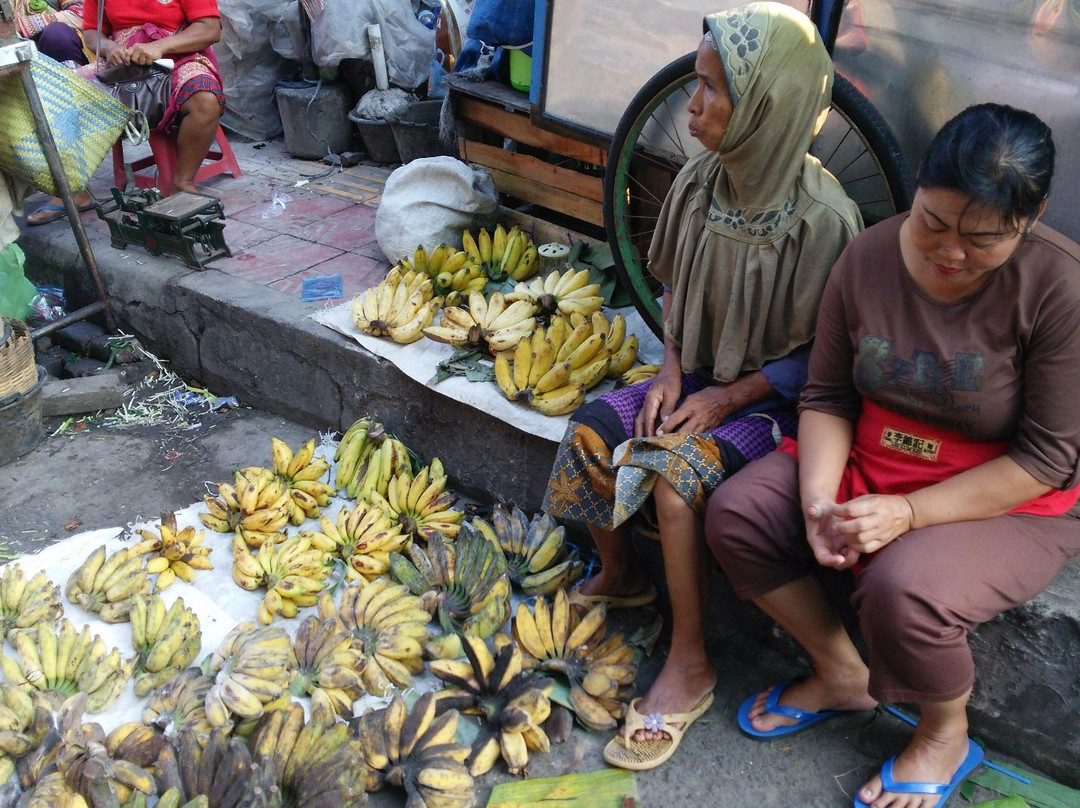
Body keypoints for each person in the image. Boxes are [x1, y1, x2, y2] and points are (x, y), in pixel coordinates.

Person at [706, 102, 1080, 808]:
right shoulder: (869, 255)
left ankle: (944, 732)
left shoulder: (1059, 290)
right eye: (933, 222)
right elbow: (827, 395)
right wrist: (819, 498)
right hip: (871, 454)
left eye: (982, 238)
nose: (949, 252)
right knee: (740, 513)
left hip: (1002, 494)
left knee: (904, 587)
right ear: (916, 187)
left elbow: (1045, 461)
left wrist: (906, 513)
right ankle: (841, 672)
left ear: (1030, 219)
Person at [542, 2, 862, 770]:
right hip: (697, 377)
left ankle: (691, 660)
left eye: (712, 90)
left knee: (677, 480)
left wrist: (726, 396)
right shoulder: (698, 183)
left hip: (778, 401)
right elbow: (676, 292)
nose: (692, 106)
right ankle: (620, 577)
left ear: (766, 106)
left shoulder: (823, 222)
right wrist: (673, 369)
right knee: (592, 430)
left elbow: (827, 360)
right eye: (696, 85)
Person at [26, 0, 225, 225]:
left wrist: (160, 46)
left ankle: (183, 183)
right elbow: (92, 32)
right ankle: (73, 190)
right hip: (123, 61)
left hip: (178, 56)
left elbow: (210, 28)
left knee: (205, 100)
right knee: (61, 102)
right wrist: (109, 48)